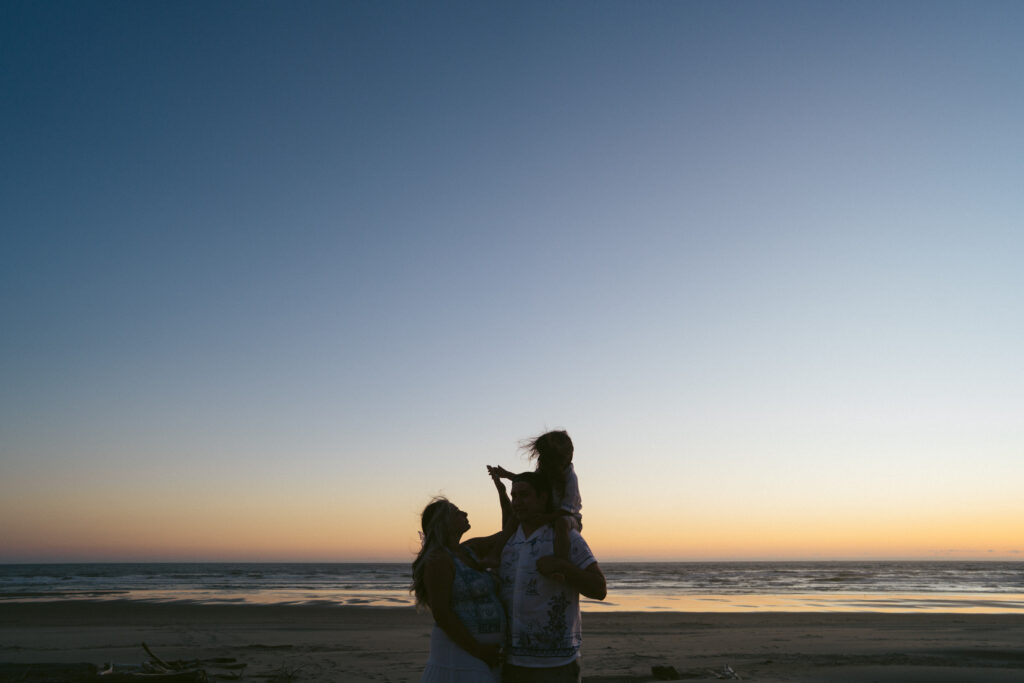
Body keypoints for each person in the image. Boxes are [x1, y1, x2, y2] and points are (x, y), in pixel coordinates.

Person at [497, 471, 606, 682]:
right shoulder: (507, 541)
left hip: (557, 665)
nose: (517, 502)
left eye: (524, 495)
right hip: (510, 663)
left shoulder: (565, 537)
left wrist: (562, 566)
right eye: (514, 496)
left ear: (543, 497)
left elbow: (599, 588)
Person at [413, 498, 506, 683]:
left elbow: (508, 533)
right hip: (459, 651)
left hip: (485, 653)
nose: (465, 514)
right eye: (456, 512)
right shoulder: (438, 560)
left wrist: (502, 491)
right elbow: (442, 613)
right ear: (443, 523)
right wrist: (478, 650)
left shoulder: (469, 551)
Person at [486, 430, 582, 576]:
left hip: (569, 517)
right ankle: (494, 554)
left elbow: (567, 510)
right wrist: (506, 475)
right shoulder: (545, 470)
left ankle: (560, 564)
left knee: (561, 523)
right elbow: (529, 481)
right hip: (546, 514)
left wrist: (545, 518)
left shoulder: (570, 478)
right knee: (514, 519)